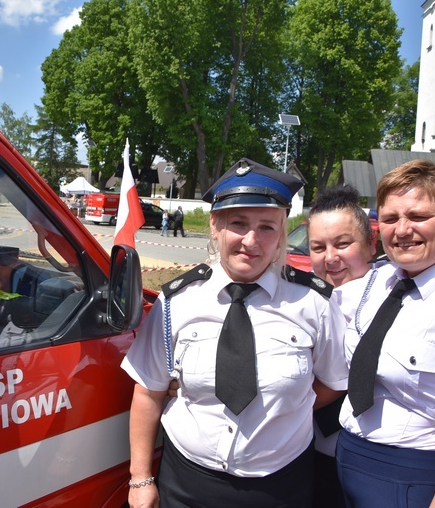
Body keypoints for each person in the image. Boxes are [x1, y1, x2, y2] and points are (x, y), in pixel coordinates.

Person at [122, 158, 347, 508]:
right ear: (215, 226)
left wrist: (285, 407)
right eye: (238, 223)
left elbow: (333, 381)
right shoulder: (176, 302)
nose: (251, 240)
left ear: (282, 232)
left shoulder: (313, 303)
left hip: (280, 485)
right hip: (187, 481)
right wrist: (140, 480)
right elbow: (148, 392)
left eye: (267, 227)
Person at [334, 159, 435, 507]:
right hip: (350, 460)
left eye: (419, 217)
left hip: (421, 478)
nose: (402, 229)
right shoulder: (377, 280)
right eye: (391, 219)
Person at [306, 185, 378, 508]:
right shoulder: (301, 302)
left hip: (371, 461)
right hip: (310, 456)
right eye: (318, 247)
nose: (330, 258)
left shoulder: (402, 302)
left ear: (371, 245)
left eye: (343, 244)